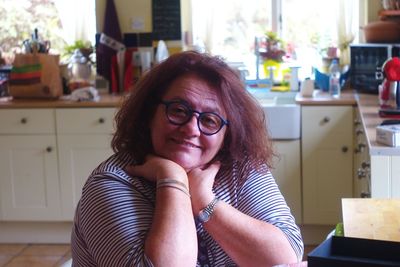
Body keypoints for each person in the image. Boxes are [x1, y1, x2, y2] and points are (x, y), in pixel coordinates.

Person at [71, 51, 303, 266]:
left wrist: (204, 201)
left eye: (210, 120)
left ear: (226, 133)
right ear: (150, 112)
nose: (192, 128)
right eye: (179, 110)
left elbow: (285, 257)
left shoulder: (239, 167)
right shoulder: (111, 183)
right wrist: (173, 179)